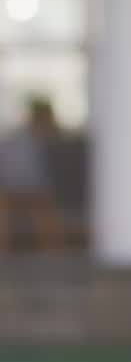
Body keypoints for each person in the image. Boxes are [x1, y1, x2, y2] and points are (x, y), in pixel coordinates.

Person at [0, 97, 65, 252]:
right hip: (28, 185)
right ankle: (54, 251)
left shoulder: (17, 135)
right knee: (43, 212)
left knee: (8, 212)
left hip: (10, 183)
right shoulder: (33, 134)